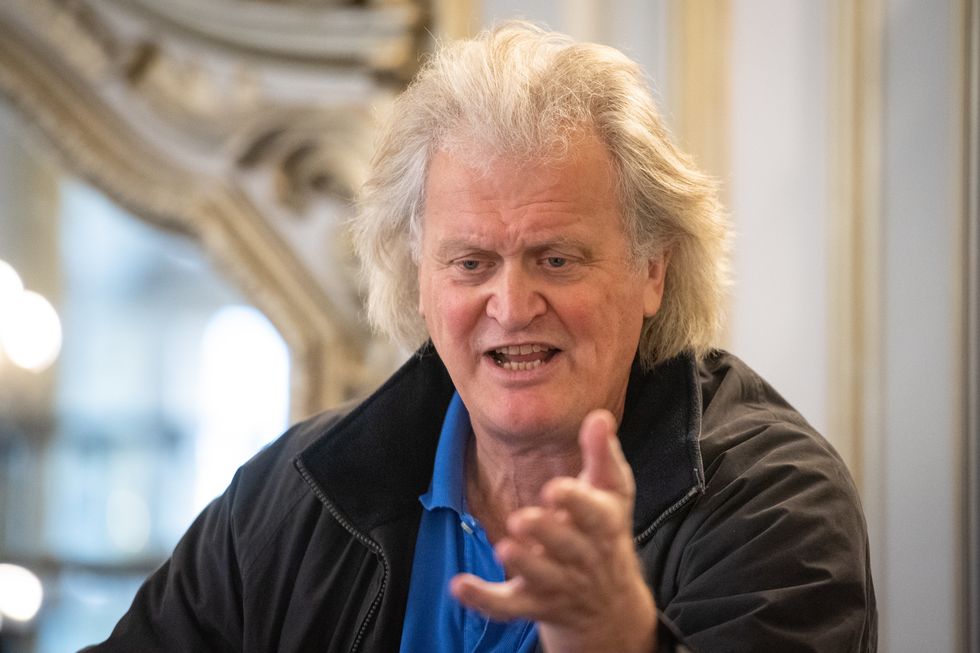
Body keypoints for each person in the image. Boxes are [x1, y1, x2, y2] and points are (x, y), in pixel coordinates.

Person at [84, 21, 876, 652]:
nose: (511, 303)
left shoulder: (777, 504)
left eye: (556, 258)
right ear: (419, 281)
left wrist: (615, 641)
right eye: (470, 263)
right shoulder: (292, 497)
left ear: (652, 272)